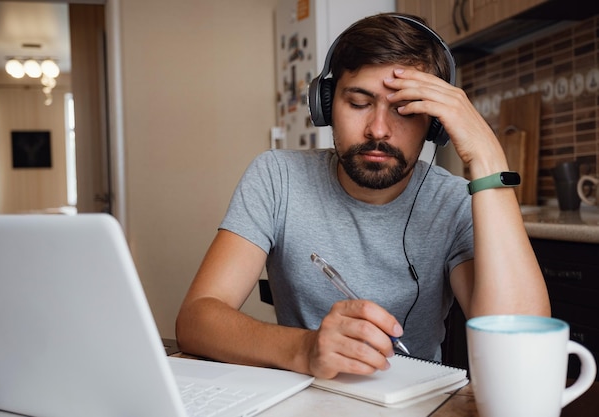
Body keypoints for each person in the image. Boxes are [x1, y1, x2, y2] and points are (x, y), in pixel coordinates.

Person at [176, 12, 550, 379]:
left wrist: (487, 157)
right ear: (325, 106)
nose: (378, 130)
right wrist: (305, 349)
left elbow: (523, 351)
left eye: (404, 109)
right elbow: (197, 319)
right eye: (358, 103)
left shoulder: (452, 202)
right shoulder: (277, 177)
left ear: (434, 124)